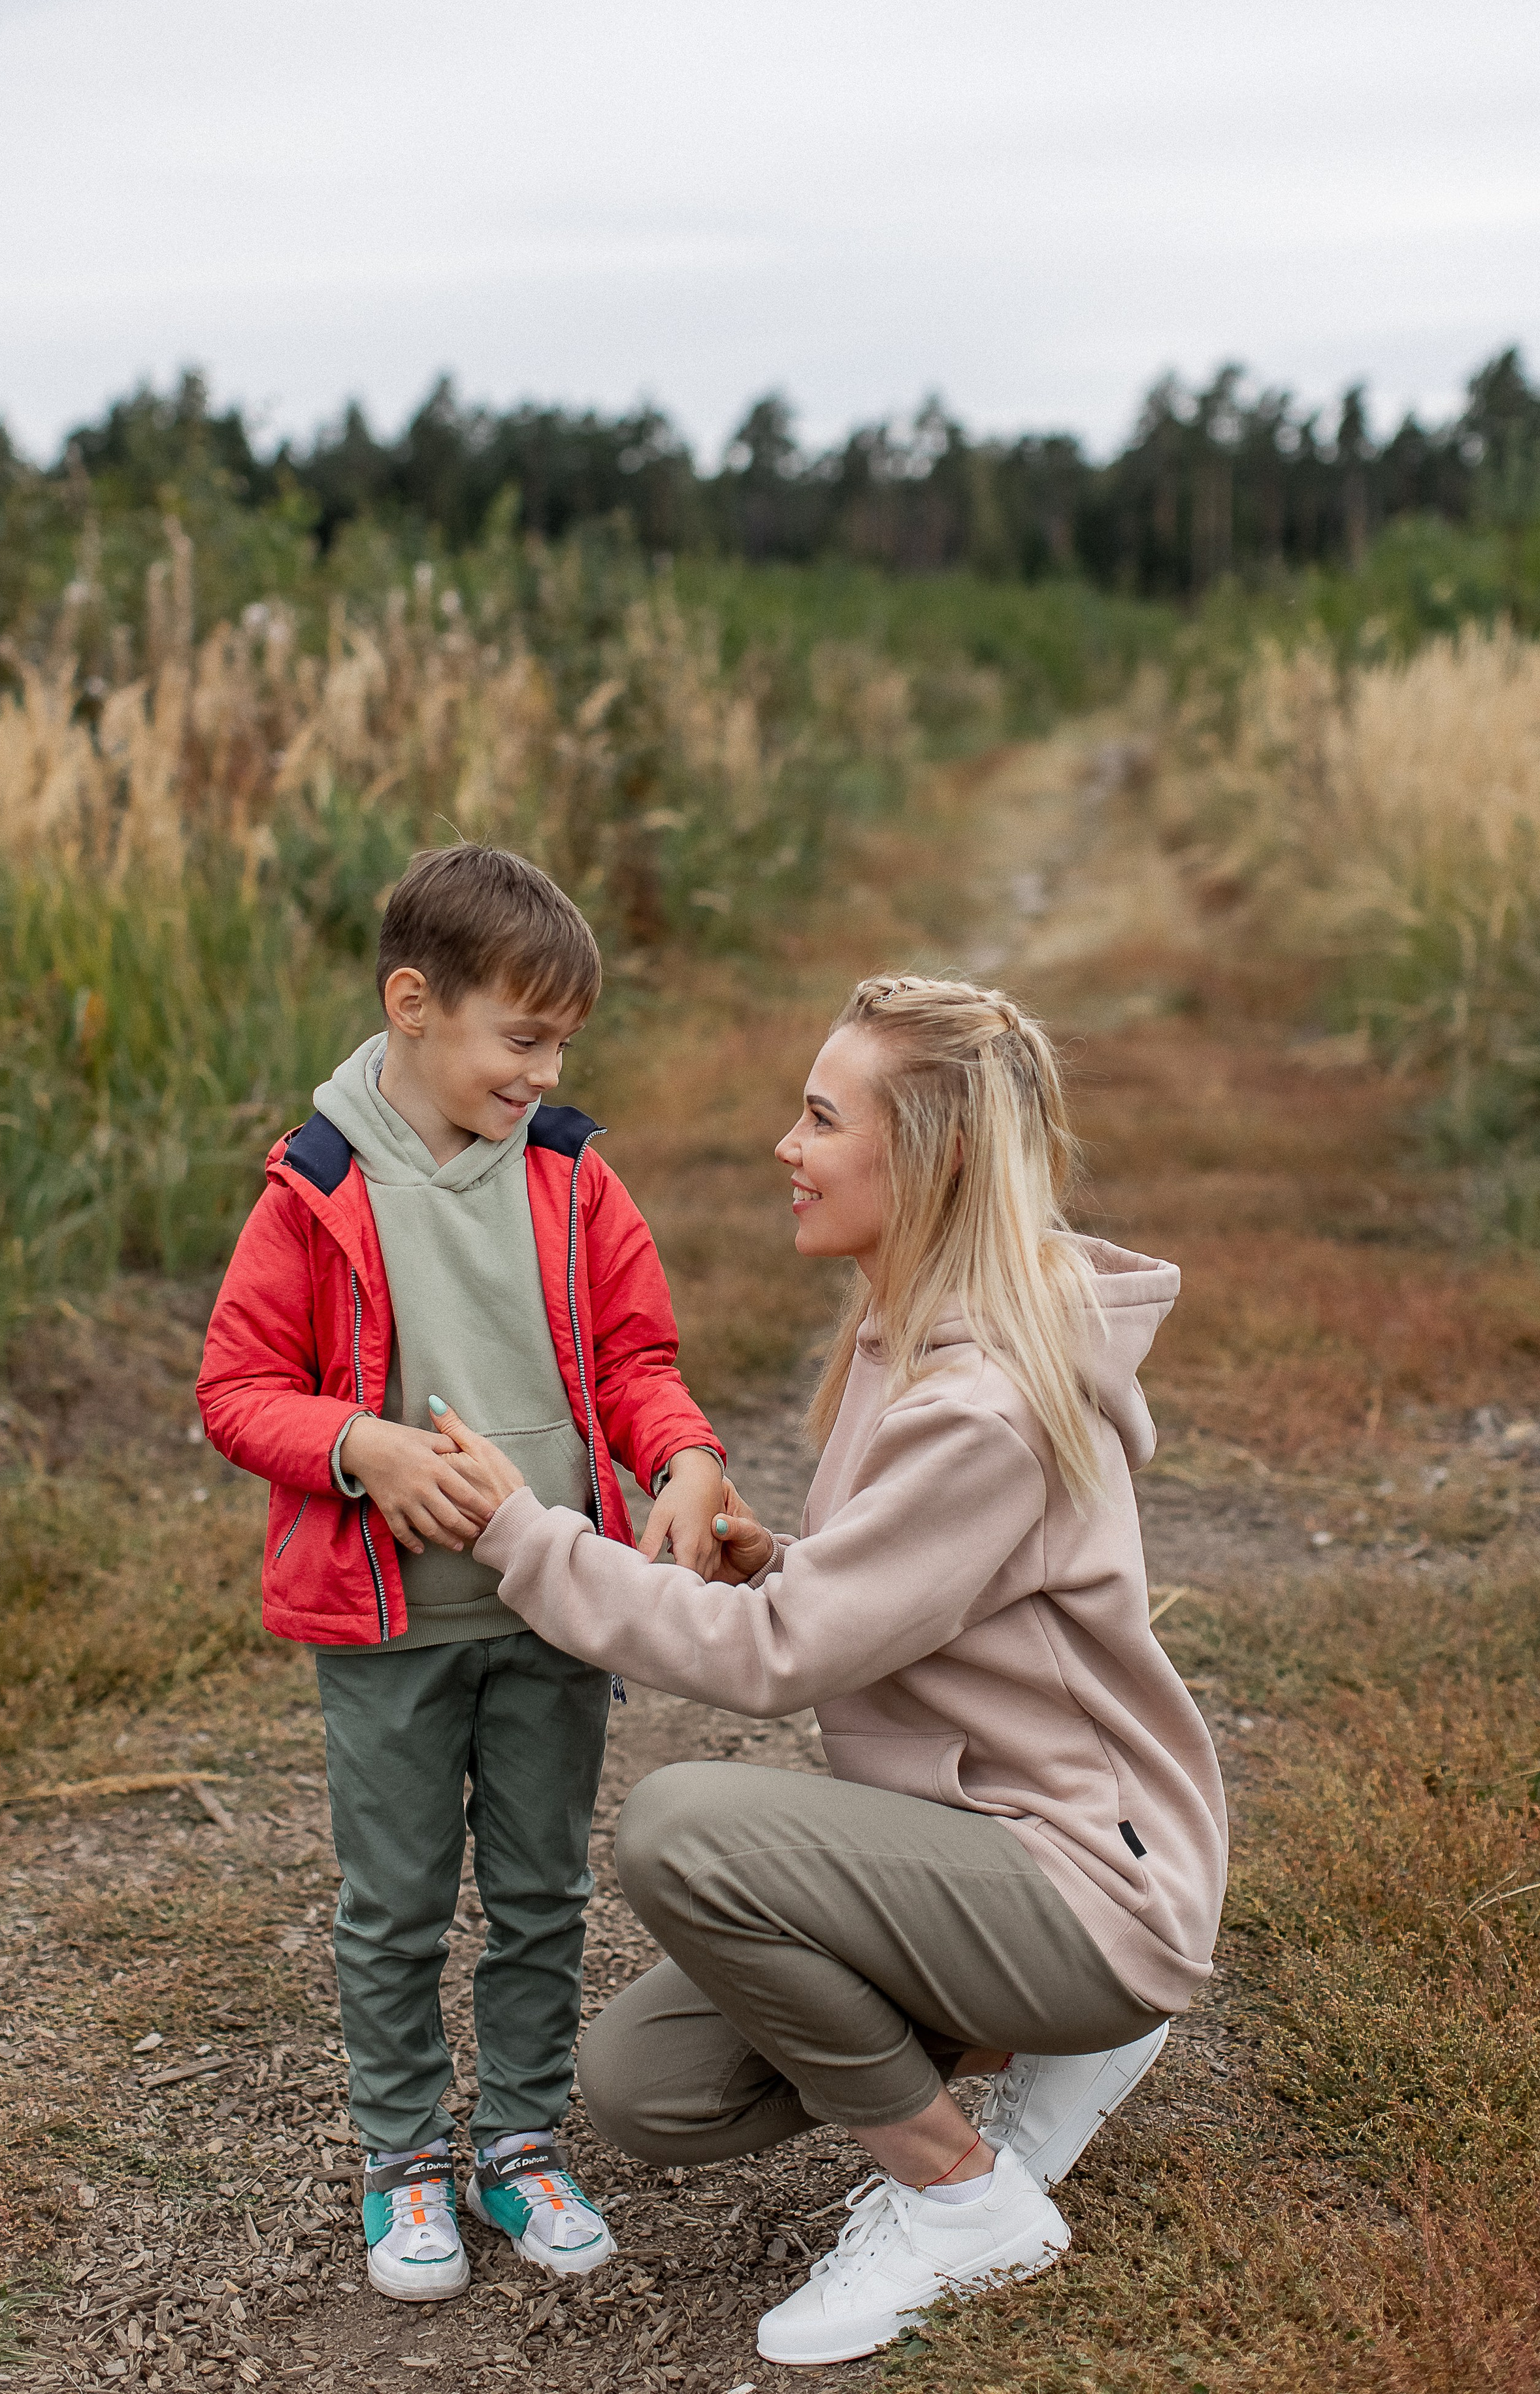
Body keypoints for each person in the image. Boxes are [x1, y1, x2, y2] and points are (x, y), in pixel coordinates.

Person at [424, 971, 1230, 2367]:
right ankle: (1051, 2036)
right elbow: (892, 1598)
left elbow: (776, 1663)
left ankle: (958, 2196)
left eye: (817, 1120)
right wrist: (776, 1556)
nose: (785, 1152)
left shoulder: (986, 1402)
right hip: (989, 1845)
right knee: (648, 2089)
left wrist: (521, 1537)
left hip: (1085, 1877)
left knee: (685, 1828)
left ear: (933, 1157)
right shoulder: (909, 1324)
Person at [196, 845, 727, 2301]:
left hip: (553, 1606)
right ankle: (400, 2160)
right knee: (398, 1900)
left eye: (561, 1043)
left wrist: (676, 1457)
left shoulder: (569, 1175)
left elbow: (636, 1360)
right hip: (389, 1627)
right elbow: (238, 1388)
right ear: (414, 1003)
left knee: (544, 1889)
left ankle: (516, 2144)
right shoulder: (313, 1187)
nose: (543, 1071)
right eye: (523, 1037)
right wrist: (359, 1443)